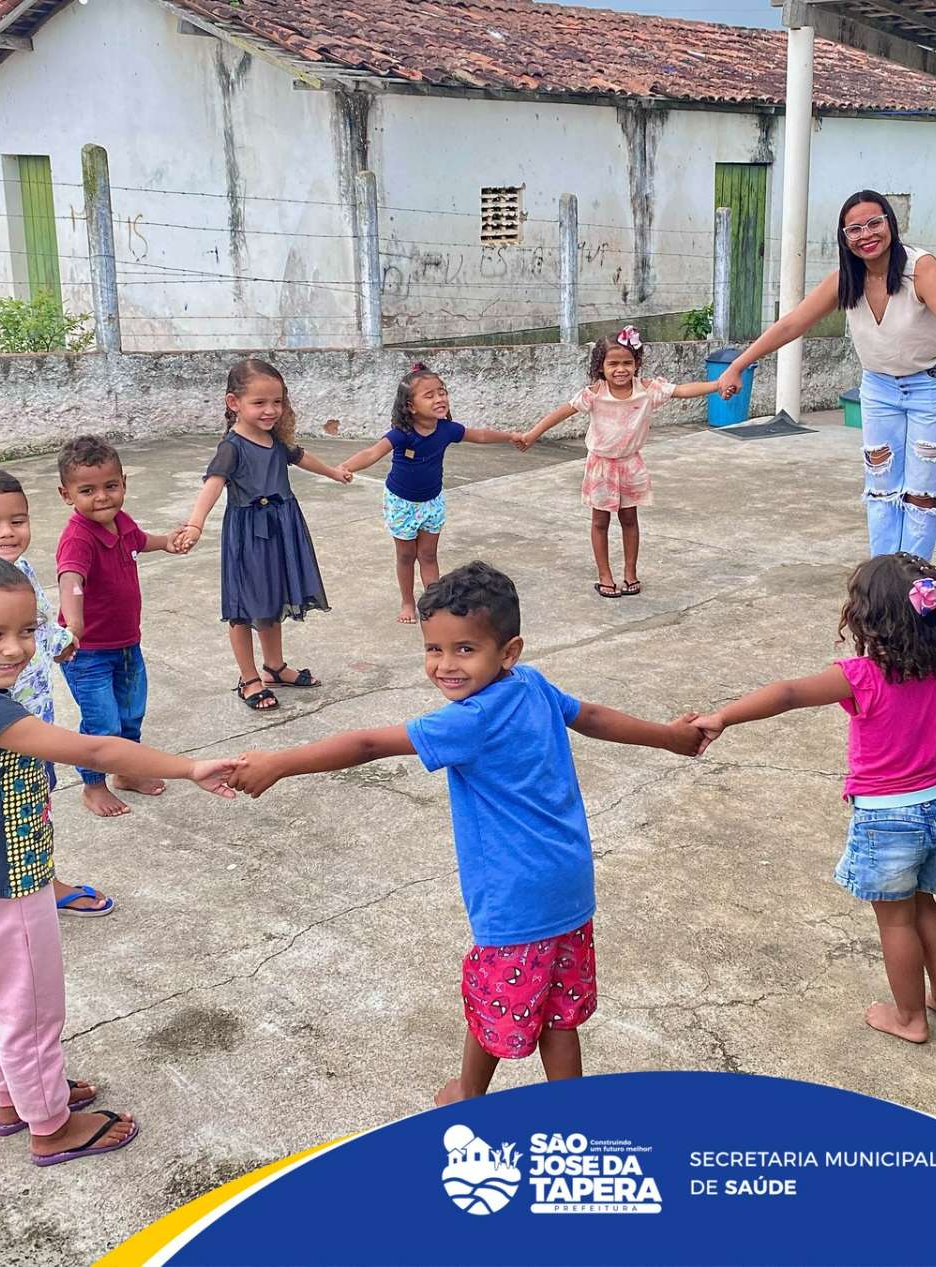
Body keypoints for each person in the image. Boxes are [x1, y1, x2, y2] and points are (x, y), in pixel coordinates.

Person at [228, 562, 704, 1102]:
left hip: (513, 896)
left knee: (492, 1002)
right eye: (435, 649)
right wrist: (667, 737)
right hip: (568, 883)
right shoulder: (532, 685)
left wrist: (281, 761)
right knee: (558, 1011)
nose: (445, 665)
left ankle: (469, 1097)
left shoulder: (468, 721)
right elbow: (590, 715)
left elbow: (367, 745)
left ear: (509, 651)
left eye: (464, 649)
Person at [0, 556, 236, 1163]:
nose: (16, 649)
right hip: (8, 895)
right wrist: (190, 767)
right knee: (32, 1015)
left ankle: (16, 1098)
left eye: (27, 631)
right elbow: (91, 746)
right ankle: (50, 1127)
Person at [691, 553, 936, 1043]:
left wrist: (723, 717)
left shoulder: (861, 676)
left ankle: (909, 1018)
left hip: (887, 818)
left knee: (896, 923)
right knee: (926, 905)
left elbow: (786, 694)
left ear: (865, 618)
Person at [714, 189, 936, 560]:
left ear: (890, 224)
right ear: (844, 238)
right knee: (880, 486)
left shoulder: (921, 269)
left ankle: (912, 579)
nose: (867, 235)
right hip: (879, 388)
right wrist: (738, 364)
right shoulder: (846, 278)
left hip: (935, 387)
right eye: (854, 229)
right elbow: (792, 324)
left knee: (921, 493)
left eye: (874, 223)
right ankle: (882, 576)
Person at [0, 467, 115, 916]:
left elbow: (37, 628)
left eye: (17, 520)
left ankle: (44, 882)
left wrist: (62, 642)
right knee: (5, 821)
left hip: (36, 724)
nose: (7, 533)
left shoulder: (20, 571)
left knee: (37, 809)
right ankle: (23, 895)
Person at [172, 359, 355, 711]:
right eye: (259, 403)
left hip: (282, 526)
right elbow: (213, 484)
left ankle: (274, 666)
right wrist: (195, 524)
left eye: (277, 401)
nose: (271, 410)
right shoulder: (232, 447)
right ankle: (249, 678)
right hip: (248, 533)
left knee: (273, 597)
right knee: (244, 607)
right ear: (233, 403)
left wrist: (334, 472)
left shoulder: (275, 439)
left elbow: (301, 456)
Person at [522, 327, 723, 598]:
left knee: (630, 519)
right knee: (599, 522)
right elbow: (562, 412)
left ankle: (630, 573)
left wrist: (718, 384)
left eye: (627, 362)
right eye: (613, 363)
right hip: (601, 467)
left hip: (630, 465)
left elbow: (683, 390)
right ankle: (605, 575)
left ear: (636, 364)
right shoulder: (594, 393)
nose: (621, 369)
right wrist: (532, 435)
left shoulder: (647, 390)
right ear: (601, 367)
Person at [54, 435, 188, 817]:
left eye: (111, 486)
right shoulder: (78, 538)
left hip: (127, 643)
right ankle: (93, 785)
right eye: (88, 490)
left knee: (131, 714)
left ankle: (127, 772)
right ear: (67, 495)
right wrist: (74, 625)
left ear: (124, 483)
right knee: (103, 721)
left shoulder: (121, 522)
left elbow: (137, 541)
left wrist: (166, 542)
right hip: (88, 652)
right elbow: (71, 579)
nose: (102, 497)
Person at [340, 363, 526, 624]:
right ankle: (407, 601)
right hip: (401, 503)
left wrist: (510, 435)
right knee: (406, 555)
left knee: (428, 555)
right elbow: (373, 452)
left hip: (433, 501)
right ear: (411, 407)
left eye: (442, 392)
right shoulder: (402, 435)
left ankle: (432, 602)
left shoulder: (447, 430)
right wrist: (346, 466)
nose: (440, 398)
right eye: (430, 395)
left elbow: (480, 435)